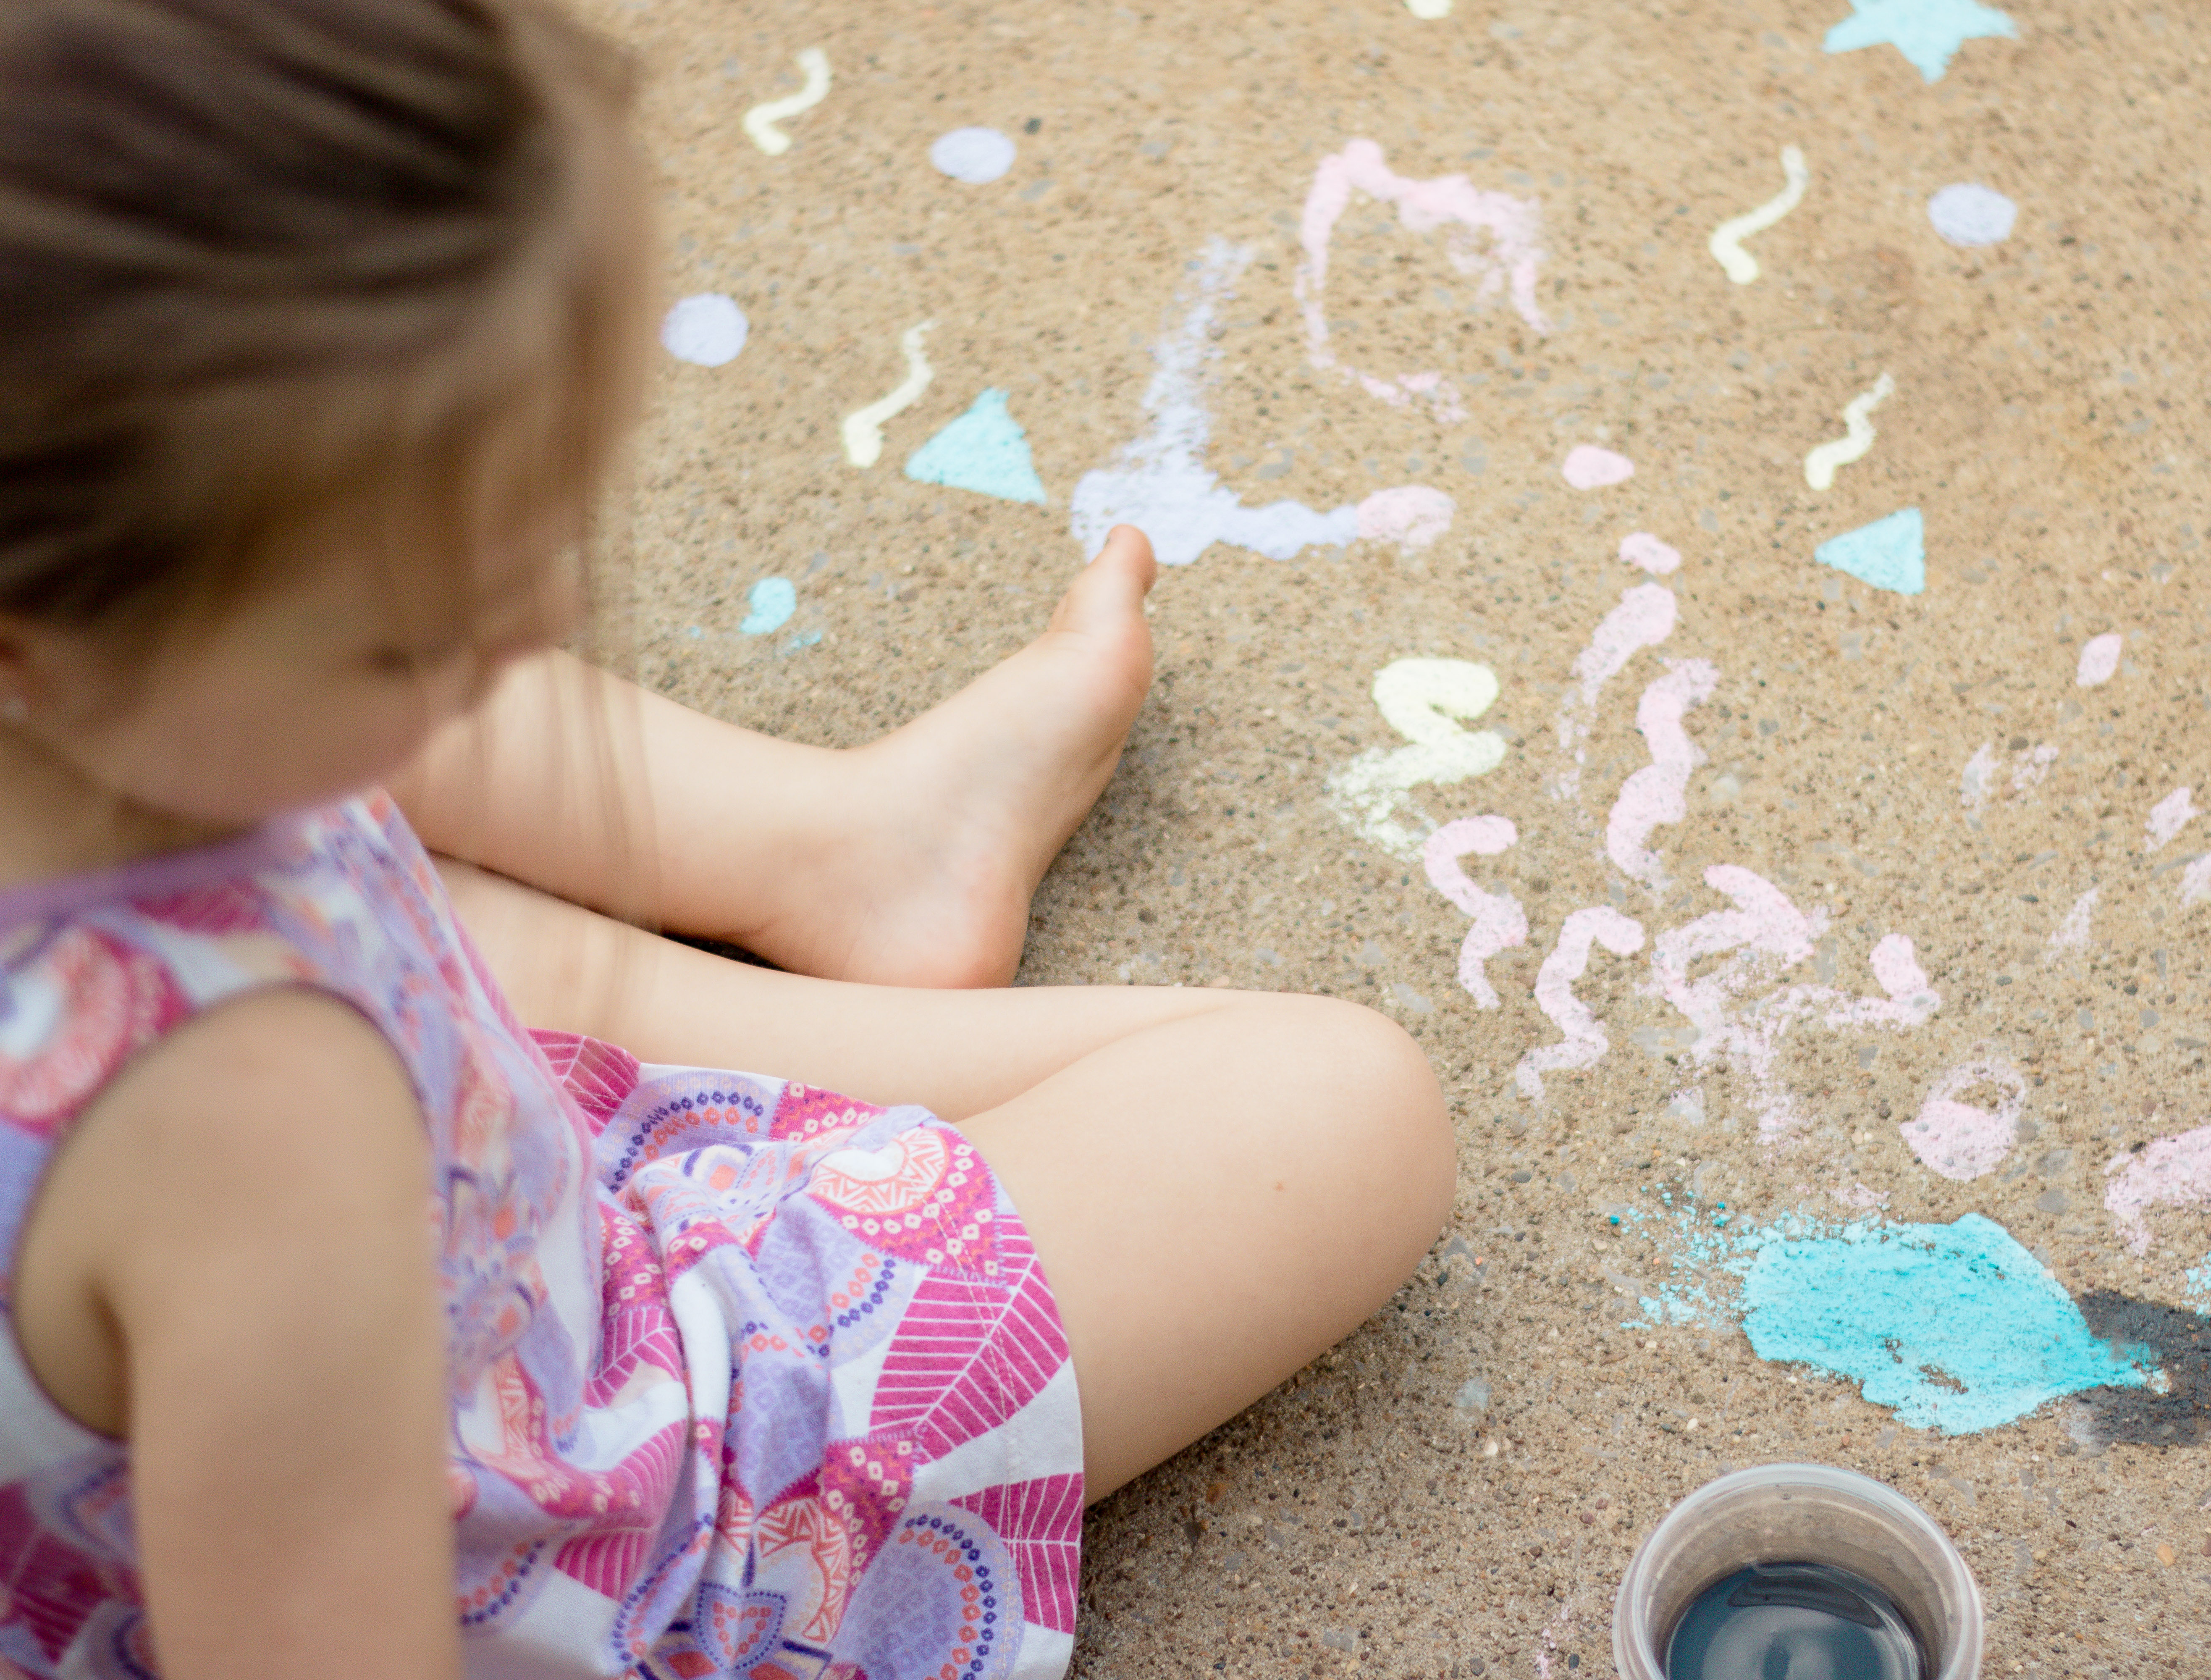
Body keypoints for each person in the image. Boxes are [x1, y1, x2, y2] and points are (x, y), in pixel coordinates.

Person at [0, 3, 1455, 1676]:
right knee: (1340, 1101)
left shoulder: (120, 700)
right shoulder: (258, 1134)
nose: (549, 617)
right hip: (630, 1498)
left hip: (247, 1255)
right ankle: (820, 937)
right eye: (419, 626)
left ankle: (834, 854)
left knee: (345, 733)